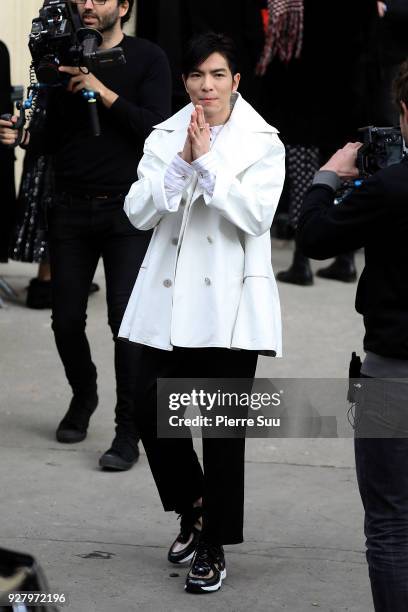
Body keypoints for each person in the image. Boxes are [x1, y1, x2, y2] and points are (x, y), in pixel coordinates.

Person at [118, 32, 285, 594]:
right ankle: (194, 506)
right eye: (195, 76)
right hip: (166, 301)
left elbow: (256, 217)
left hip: (229, 305)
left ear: (236, 80)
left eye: (217, 75)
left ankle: (213, 544)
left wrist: (209, 163)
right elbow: (138, 211)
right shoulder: (165, 133)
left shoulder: (264, 141)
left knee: (220, 431)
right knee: (147, 407)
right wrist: (180, 168)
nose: (205, 86)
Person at [0, 0, 171, 471]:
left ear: (126, 6)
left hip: (127, 212)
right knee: (65, 320)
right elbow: (52, 139)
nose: (88, 4)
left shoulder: (148, 58)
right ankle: (84, 394)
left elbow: (156, 127)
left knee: (125, 325)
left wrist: (100, 89)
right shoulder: (60, 57)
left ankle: (127, 429)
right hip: (69, 209)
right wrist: (23, 136)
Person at [297, 61, 408, 611]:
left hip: (391, 374)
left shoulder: (389, 187)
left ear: (404, 112)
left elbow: (316, 236)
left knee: (389, 524)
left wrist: (328, 177)